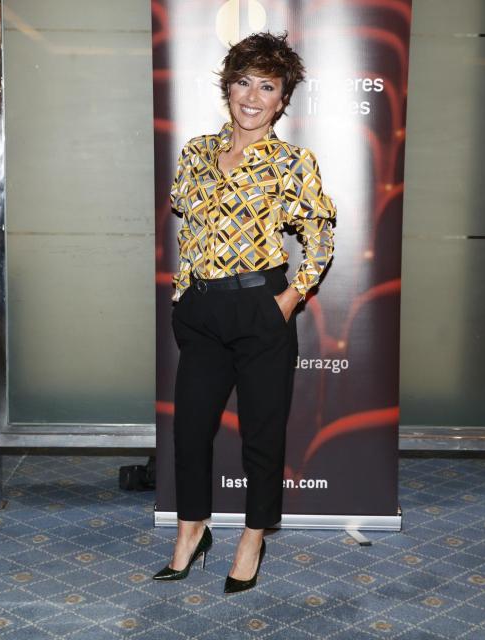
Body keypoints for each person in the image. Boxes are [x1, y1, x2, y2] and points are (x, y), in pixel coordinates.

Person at [153, 31, 336, 593]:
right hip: (201, 311)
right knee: (190, 432)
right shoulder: (196, 153)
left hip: (261, 308)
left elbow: (320, 239)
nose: (252, 97)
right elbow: (188, 223)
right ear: (227, 88)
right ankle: (191, 529)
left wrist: (288, 299)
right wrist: (185, 294)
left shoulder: (291, 162)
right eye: (243, 82)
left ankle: (253, 538)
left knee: (262, 434)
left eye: (267, 87)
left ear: (282, 100)